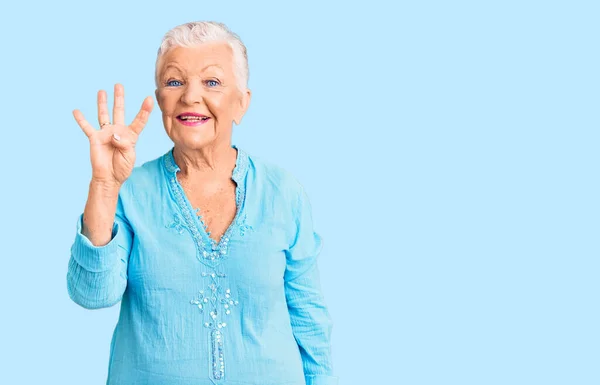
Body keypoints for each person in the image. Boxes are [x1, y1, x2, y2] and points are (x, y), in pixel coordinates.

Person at [67, 21, 337, 385]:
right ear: (160, 98)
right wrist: (104, 184)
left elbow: (310, 321)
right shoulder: (128, 192)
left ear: (242, 102)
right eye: (174, 81)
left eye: (212, 82)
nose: (191, 96)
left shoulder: (283, 193)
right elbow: (93, 293)